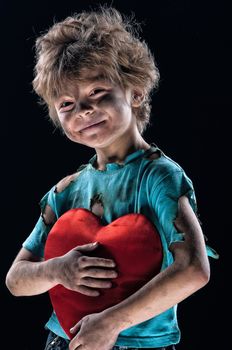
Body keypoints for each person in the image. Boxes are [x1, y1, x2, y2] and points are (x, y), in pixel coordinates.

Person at [5, 6, 218, 350]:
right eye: (67, 104)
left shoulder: (159, 177)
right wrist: (57, 270)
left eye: (97, 91)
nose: (83, 110)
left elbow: (194, 268)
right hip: (63, 341)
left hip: (138, 344)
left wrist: (111, 323)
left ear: (135, 92)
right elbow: (16, 280)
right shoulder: (66, 191)